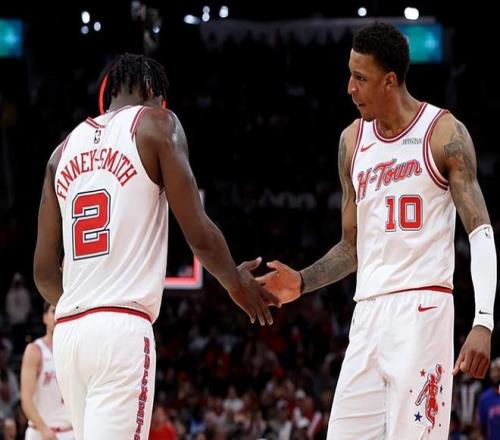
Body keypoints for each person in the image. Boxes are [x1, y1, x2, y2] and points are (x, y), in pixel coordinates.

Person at [257, 22, 496, 438]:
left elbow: (481, 231)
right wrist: (302, 282)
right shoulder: (351, 141)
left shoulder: (443, 133)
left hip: (423, 310)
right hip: (367, 313)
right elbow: (352, 247)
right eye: (350, 75)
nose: (350, 88)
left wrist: (484, 320)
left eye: (360, 78)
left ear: (390, 81)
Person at [33, 53, 278, 440]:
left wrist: (87, 302)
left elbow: (45, 273)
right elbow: (198, 231)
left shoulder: (60, 153)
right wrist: (235, 282)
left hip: (69, 334)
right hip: (121, 328)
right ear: (151, 91)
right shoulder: (157, 124)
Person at [21, 302, 73, 440]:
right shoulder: (35, 350)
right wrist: (44, 430)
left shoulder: (73, 351)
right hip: (42, 432)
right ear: (44, 317)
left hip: (70, 432)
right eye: (53, 311)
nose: (57, 316)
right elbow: (26, 398)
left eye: (61, 311)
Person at [478, 357, 500, 439]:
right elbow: (482, 428)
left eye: (497, 371)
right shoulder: (485, 398)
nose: (495, 375)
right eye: (493, 372)